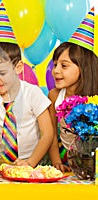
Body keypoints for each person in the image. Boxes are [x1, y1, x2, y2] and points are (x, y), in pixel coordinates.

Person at [0, 2, 54, 169]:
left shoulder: (32, 93)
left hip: (30, 165)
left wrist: (30, 162)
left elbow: (47, 134)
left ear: (18, 68)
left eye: (2, 73)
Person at [48, 7, 98, 172]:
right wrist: (56, 162)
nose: (56, 71)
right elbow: (52, 135)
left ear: (82, 68)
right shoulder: (54, 96)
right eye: (55, 65)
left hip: (91, 160)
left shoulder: (94, 99)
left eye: (64, 66)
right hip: (64, 156)